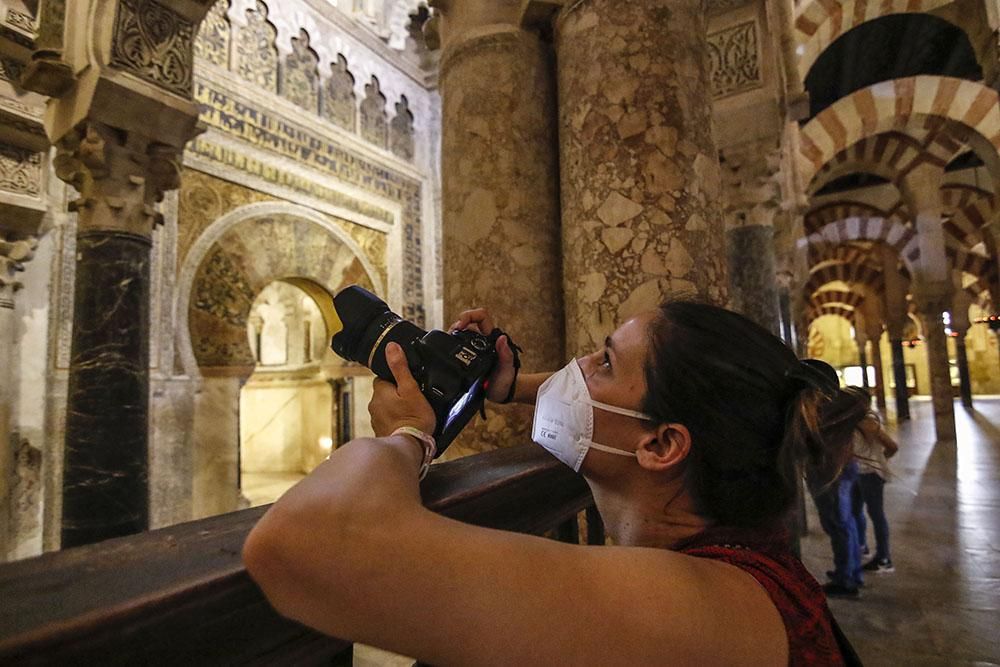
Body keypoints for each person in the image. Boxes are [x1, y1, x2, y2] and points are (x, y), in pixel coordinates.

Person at [243, 301, 859, 665]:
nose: (575, 368)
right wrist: (506, 386)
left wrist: (407, 436)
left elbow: (305, 543)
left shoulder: (698, 605)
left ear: (663, 445)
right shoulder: (739, 564)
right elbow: (607, 406)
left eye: (606, 360)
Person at [807, 386, 872, 598]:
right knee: (846, 524)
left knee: (838, 525)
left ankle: (846, 580)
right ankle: (850, 573)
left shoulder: (834, 425)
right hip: (840, 470)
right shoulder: (845, 424)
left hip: (832, 473)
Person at [852, 398, 899, 574]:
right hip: (856, 472)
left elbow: (892, 446)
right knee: (854, 510)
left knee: (876, 514)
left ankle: (884, 558)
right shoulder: (849, 423)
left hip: (870, 474)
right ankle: (861, 545)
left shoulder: (868, 423)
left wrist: (880, 460)